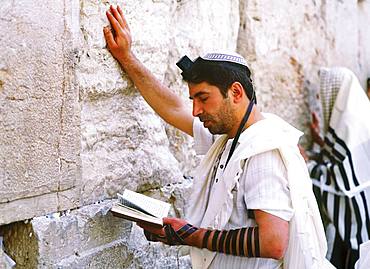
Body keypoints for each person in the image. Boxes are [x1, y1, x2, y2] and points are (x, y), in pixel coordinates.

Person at [103, 5, 335, 269]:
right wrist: (126, 57)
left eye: (203, 98)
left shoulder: (262, 152)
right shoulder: (230, 137)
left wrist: (192, 235)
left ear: (235, 92)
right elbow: (173, 108)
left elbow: (273, 241)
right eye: (193, 99)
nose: (195, 110)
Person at [305, 67, 370, 269]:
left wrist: (305, 165)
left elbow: (340, 182)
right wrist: (320, 141)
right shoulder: (356, 118)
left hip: (355, 227)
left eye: (323, 95)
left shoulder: (350, 123)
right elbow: (343, 160)